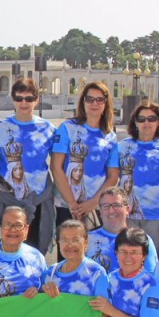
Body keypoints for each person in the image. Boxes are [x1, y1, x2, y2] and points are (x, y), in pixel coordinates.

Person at [0, 78, 56, 255]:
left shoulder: (48, 128)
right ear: (13, 100)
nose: (23, 103)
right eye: (19, 98)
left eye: (29, 98)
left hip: (37, 198)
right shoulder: (1, 127)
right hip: (7, 197)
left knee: (34, 250)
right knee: (4, 248)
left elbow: (59, 164)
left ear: (37, 100)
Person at [51, 81, 119, 227]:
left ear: (106, 103)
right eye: (90, 99)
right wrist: (73, 204)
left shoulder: (110, 136)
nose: (94, 103)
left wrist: (93, 202)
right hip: (65, 205)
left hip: (96, 207)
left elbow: (113, 175)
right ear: (83, 102)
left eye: (100, 99)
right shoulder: (67, 128)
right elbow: (56, 167)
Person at [114, 101, 159, 251]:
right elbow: (112, 178)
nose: (146, 123)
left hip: (156, 216)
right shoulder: (122, 147)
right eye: (141, 119)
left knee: (152, 259)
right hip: (126, 215)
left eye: (151, 118)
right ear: (135, 123)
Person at [0, 206, 48, 301]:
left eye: (18, 225)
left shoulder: (36, 256)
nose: (13, 230)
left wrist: (39, 292)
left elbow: (45, 290)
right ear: (0, 228)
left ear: (26, 229)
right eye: (8, 224)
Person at [87, 187, 159, 274]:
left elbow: (152, 276)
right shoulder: (86, 240)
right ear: (100, 211)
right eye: (106, 206)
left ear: (127, 210)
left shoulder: (142, 240)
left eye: (116, 205)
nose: (111, 210)